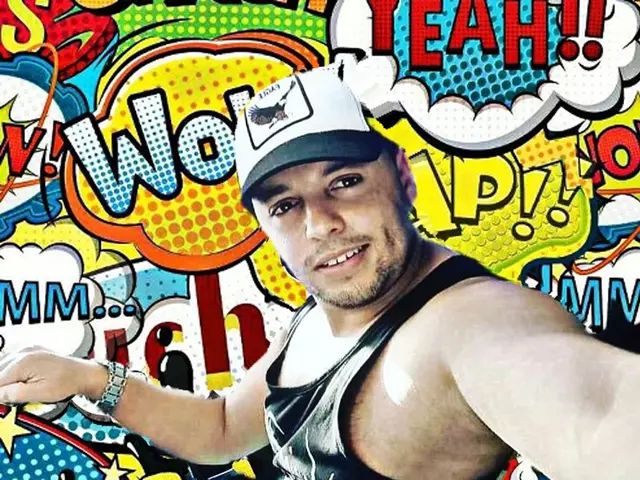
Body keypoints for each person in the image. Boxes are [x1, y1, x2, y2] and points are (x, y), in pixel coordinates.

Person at [0, 66, 637, 480]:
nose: (321, 224)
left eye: (345, 181)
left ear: (402, 175)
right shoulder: (324, 313)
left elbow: (600, 412)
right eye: (285, 205)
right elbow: (222, 429)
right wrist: (90, 378)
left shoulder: (468, 324)